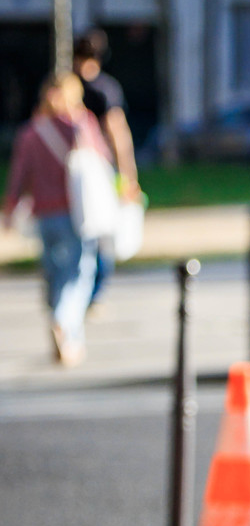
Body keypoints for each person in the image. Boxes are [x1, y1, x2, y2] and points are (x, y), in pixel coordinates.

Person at [2, 71, 118, 366]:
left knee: (55, 273)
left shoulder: (31, 133)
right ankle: (63, 324)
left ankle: (67, 333)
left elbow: (18, 176)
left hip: (44, 214)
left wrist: (10, 208)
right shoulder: (81, 125)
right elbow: (102, 161)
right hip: (76, 214)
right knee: (78, 273)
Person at [72, 29, 142, 313]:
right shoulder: (106, 88)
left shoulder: (65, 86)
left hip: (71, 171)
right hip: (101, 170)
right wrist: (128, 174)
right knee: (103, 233)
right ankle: (95, 292)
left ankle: (79, 290)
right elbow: (118, 134)